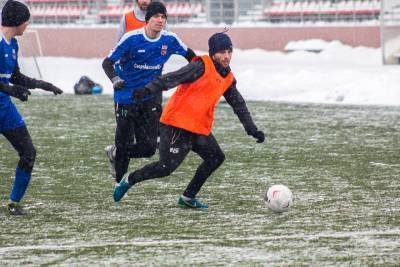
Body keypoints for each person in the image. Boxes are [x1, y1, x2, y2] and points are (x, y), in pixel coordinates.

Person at [113, 32, 265, 209]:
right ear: (213, 53)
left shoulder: (228, 77)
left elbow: (238, 104)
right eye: (222, 52)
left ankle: (187, 198)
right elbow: (171, 78)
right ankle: (129, 179)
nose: (226, 56)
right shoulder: (200, 66)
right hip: (176, 124)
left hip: (198, 128)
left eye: (229, 52)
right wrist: (147, 90)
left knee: (216, 158)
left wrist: (252, 129)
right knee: (165, 167)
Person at [102, 1, 196, 185]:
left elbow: (193, 58)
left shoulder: (170, 40)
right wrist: (115, 79)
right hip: (126, 96)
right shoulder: (131, 38)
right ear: (147, 19)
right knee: (125, 140)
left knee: (149, 148)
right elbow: (107, 63)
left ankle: (116, 152)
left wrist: (196, 74)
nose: (160, 20)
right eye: (156, 16)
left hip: (150, 97)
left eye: (163, 17)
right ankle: (120, 184)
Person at [0, 0, 63, 215]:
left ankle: (14, 203)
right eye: (26, 21)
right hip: (4, 100)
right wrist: (11, 90)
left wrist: (42, 85)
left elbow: (15, 77)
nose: (27, 25)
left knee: (28, 153)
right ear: (16, 21)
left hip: (5, 109)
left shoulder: (13, 45)